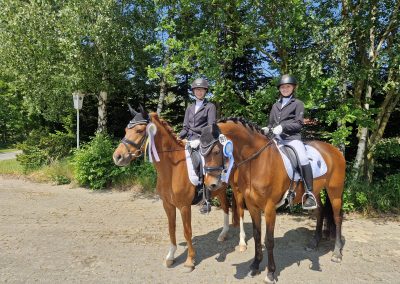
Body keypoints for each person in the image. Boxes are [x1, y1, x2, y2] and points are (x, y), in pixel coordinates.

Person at [262, 74, 317, 210]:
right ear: (279, 89)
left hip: (292, 139)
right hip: (276, 139)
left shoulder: (298, 104)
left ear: (293, 88)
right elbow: (271, 124)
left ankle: (309, 194)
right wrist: (266, 129)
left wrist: (283, 127)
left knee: (303, 158)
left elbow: (299, 124)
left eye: (288, 86)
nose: (285, 89)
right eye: (282, 87)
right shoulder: (275, 105)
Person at [179, 78, 216, 214]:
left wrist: (199, 139)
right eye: (196, 90)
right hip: (189, 140)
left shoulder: (210, 106)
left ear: (205, 91)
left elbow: (211, 126)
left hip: (204, 140)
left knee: (200, 161)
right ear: (193, 92)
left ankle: (205, 198)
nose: (199, 92)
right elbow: (185, 127)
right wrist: (178, 137)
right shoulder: (190, 107)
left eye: (201, 90)